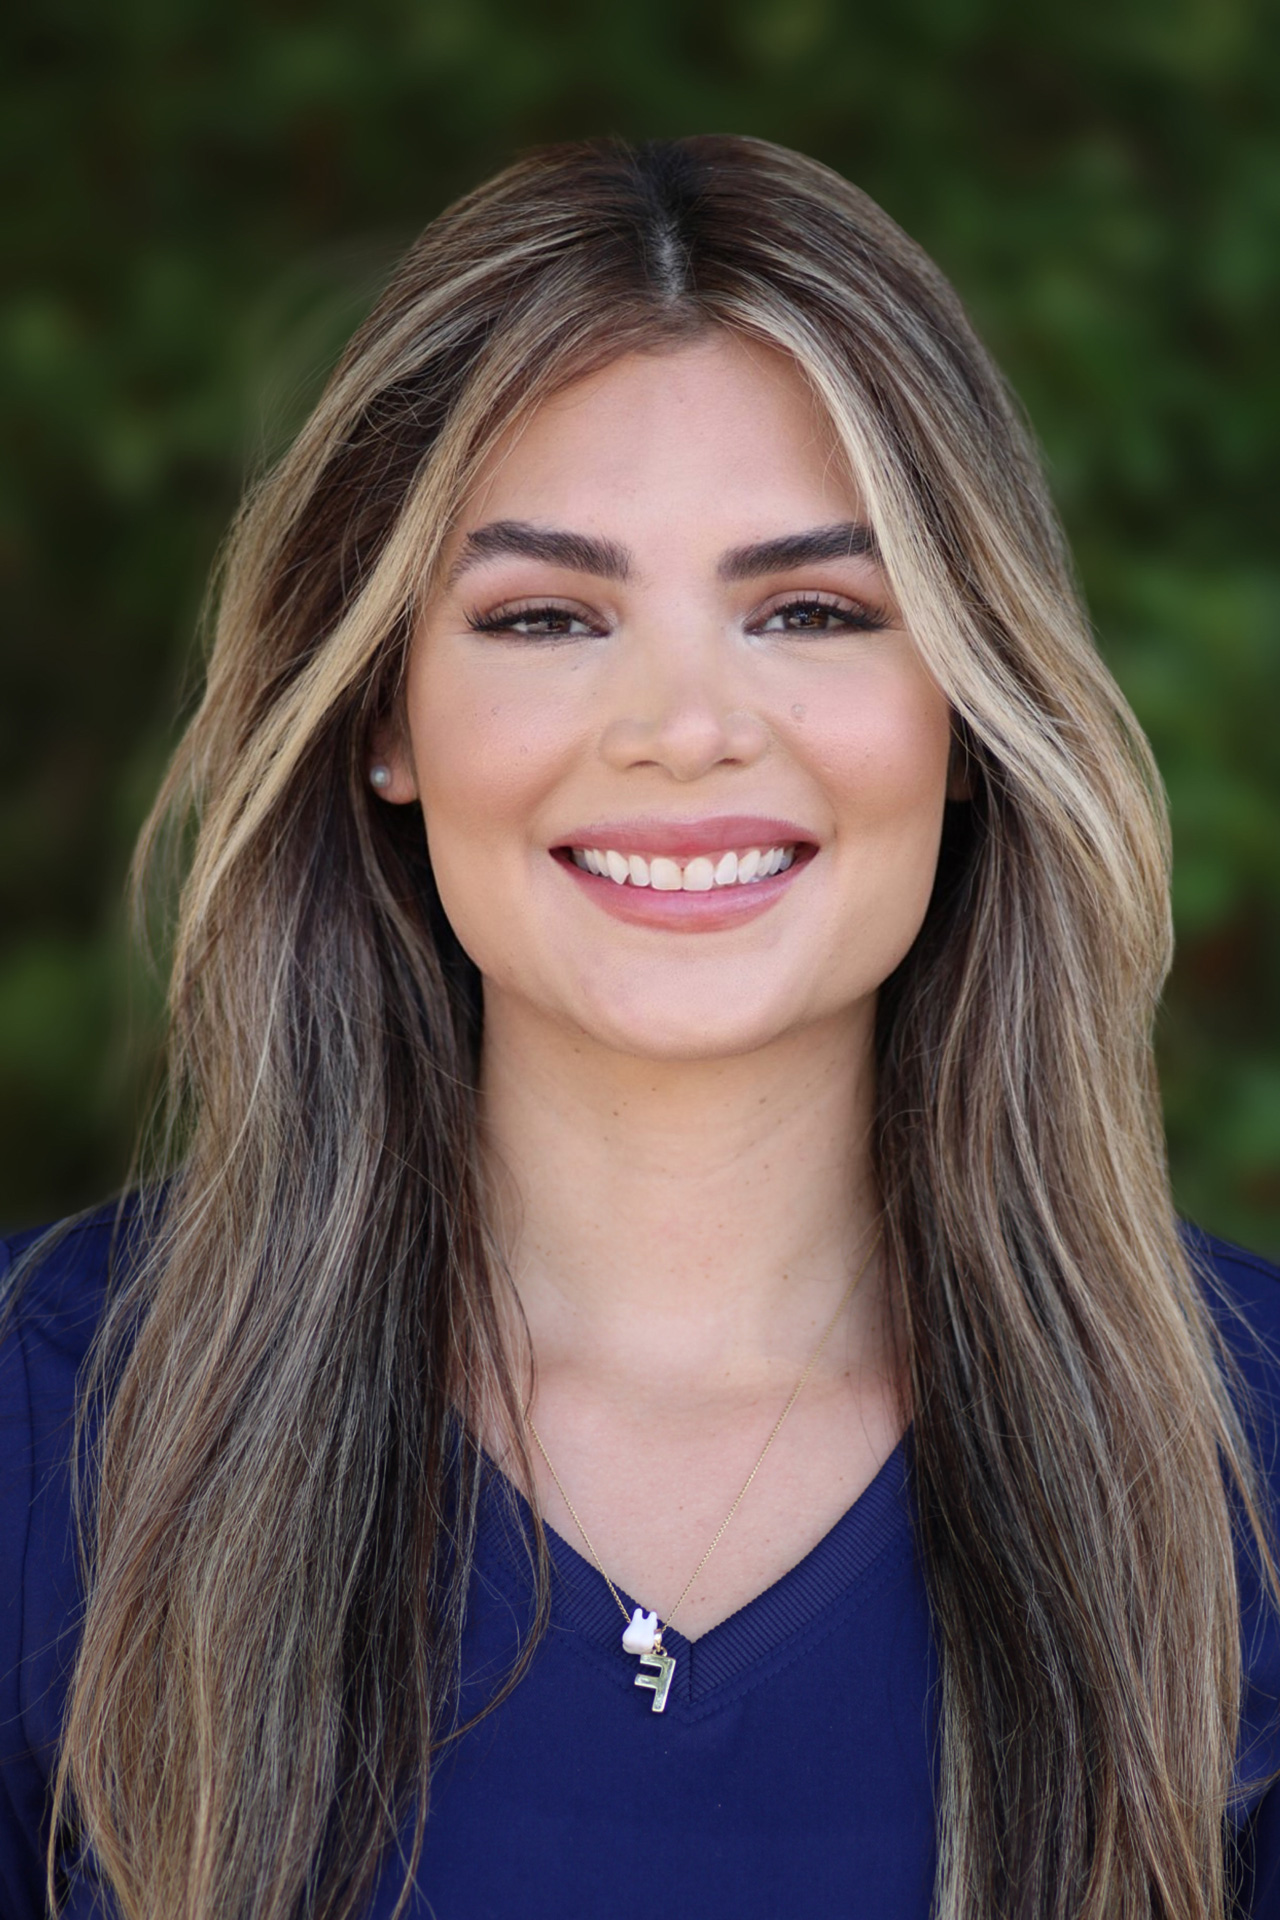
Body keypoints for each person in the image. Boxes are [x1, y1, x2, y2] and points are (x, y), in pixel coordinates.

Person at [1, 133, 1278, 1920]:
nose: (686, 726)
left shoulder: (1252, 1465)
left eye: (812, 610)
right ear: (386, 719)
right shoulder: (39, 1430)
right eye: (545, 616)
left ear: (969, 713)